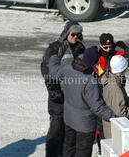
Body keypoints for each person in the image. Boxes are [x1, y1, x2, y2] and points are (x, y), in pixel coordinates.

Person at [48, 47, 115, 157]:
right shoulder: (90, 81)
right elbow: (96, 107)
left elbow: (53, 71)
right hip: (85, 125)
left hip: (69, 118)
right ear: (92, 63)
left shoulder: (67, 68)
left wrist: (55, 56)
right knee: (82, 152)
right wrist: (113, 116)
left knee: (69, 148)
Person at [40, 21, 85, 157]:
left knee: (70, 126)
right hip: (58, 94)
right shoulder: (55, 47)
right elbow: (45, 68)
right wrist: (53, 88)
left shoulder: (81, 48)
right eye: (73, 34)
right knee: (57, 126)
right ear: (66, 33)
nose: (75, 37)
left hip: (73, 95)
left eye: (78, 34)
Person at [101, 55, 129, 138]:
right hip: (117, 131)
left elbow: (113, 101)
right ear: (122, 69)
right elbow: (121, 114)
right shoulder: (115, 87)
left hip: (112, 127)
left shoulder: (108, 77)